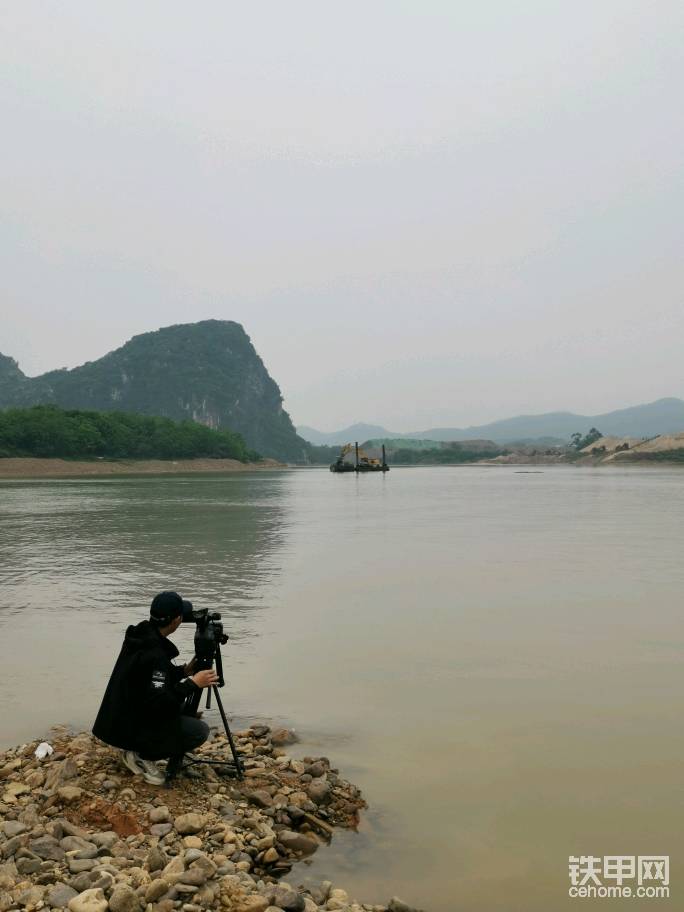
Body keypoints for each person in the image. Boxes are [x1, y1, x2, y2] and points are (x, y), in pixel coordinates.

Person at [93, 591, 218, 785]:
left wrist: (184, 672)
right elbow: (158, 703)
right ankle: (143, 756)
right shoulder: (155, 654)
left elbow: (146, 679)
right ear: (176, 620)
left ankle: (134, 745)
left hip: (118, 720)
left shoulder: (141, 636)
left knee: (182, 708)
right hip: (129, 725)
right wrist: (193, 683)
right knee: (198, 731)